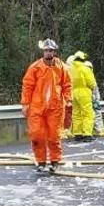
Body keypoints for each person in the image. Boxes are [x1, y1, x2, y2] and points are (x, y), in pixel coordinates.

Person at [20, 39, 73, 173]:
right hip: (37, 107)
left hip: (55, 108)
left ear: (54, 52)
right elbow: (27, 86)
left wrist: (68, 99)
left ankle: (55, 161)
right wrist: (25, 104)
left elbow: (67, 85)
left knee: (54, 136)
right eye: (46, 50)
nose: (48, 53)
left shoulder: (61, 67)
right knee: (37, 135)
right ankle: (41, 161)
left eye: (50, 50)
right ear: (43, 52)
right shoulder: (35, 67)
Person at [66, 51, 98, 141]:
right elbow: (91, 82)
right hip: (84, 92)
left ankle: (78, 134)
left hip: (74, 92)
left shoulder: (71, 69)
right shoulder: (85, 68)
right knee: (88, 113)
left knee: (76, 113)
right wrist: (93, 89)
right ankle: (87, 134)